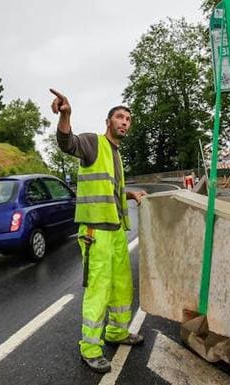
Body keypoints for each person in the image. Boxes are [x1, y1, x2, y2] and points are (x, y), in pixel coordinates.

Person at [50, 88, 147, 373]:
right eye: (120, 117)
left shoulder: (116, 154)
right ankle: (90, 349)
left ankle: (116, 332)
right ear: (109, 122)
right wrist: (66, 115)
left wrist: (129, 194)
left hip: (116, 231)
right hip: (96, 233)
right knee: (99, 289)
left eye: (128, 119)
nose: (125, 122)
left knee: (121, 286)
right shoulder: (94, 143)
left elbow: (111, 190)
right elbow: (67, 143)